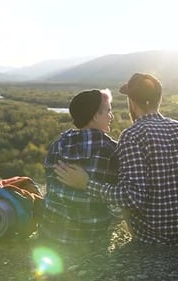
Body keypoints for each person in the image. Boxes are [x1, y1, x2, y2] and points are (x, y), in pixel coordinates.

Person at [55, 73, 178, 245]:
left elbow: (132, 198)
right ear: (160, 99)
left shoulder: (132, 135)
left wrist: (86, 184)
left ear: (132, 103)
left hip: (155, 235)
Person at [39, 88, 119, 252]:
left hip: (51, 233)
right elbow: (122, 197)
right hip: (91, 238)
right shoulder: (112, 150)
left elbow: (51, 186)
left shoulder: (57, 145)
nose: (112, 116)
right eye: (108, 111)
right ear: (95, 115)